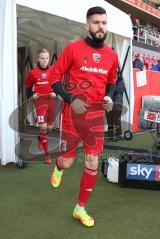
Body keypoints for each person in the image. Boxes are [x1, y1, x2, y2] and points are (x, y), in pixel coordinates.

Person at [49, 6, 118, 227]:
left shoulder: (112, 55)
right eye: (96, 22)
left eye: (104, 23)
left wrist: (108, 97)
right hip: (72, 115)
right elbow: (53, 77)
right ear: (87, 25)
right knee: (69, 162)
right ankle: (59, 166)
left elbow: (112, 83)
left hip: (96, 117)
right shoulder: (72, 49)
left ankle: (80, 208)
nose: (101, 26)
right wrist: (71, 99)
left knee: (92, 162)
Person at [26, 48, 56, 164]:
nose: (45, 61)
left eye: (47, 58)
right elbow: (28, 89)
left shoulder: (53, 70)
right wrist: (32, 94)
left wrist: (55, 92)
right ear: (38, 59)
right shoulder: (32, 73)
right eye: (42, 58)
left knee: (49, 128)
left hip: (51, 102)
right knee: (43, 127)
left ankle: (41, 137)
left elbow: (58, 84)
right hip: (39, 103)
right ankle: (47, 155)